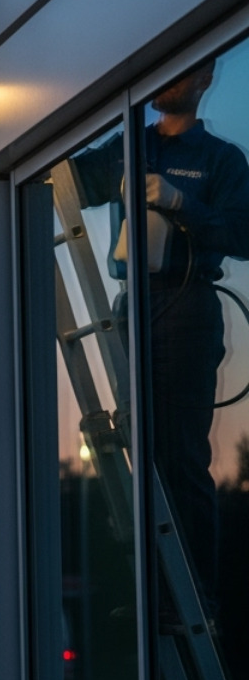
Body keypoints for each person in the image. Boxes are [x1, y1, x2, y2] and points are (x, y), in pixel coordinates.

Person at [71, 58, 249, 612]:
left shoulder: (220, 160)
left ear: (205, 79)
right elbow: (70, 182)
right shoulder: (131, 144)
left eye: (181, 72)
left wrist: (181, 203)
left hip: (186, 305)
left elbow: (243, 234)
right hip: (130, 307)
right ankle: (154, 589)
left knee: (177, 454)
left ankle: (193, 599)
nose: (166, 81)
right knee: (139, 452)